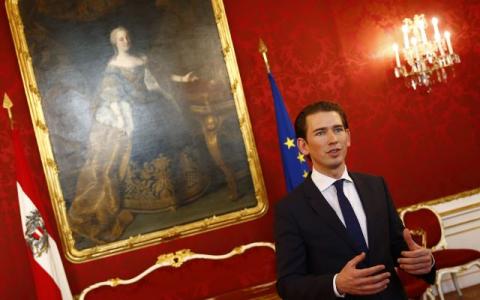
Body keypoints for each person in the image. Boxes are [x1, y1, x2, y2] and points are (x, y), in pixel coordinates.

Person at [274, 101, 435, 299]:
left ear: (348, 137)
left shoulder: (376, 186)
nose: (333, 140)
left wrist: (424, 262)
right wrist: (337, 284)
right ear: (303, 146)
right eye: (321, 133)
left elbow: (398, 248)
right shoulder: (290, 209)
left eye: (338, 129)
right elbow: (288, 283)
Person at [68, 26, 203, 244]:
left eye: (127, 37)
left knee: (173, 135)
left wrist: (183, 79)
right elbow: (110, 95)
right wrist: (121, 118)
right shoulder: (112, 67)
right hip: (132, 111)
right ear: (115, 43)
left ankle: (178, 189)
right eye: (121, 39)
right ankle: (145, 196)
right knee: (142, 141)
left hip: (154, 105)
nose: (125, 40)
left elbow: (158, 79)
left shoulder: (141, 58)